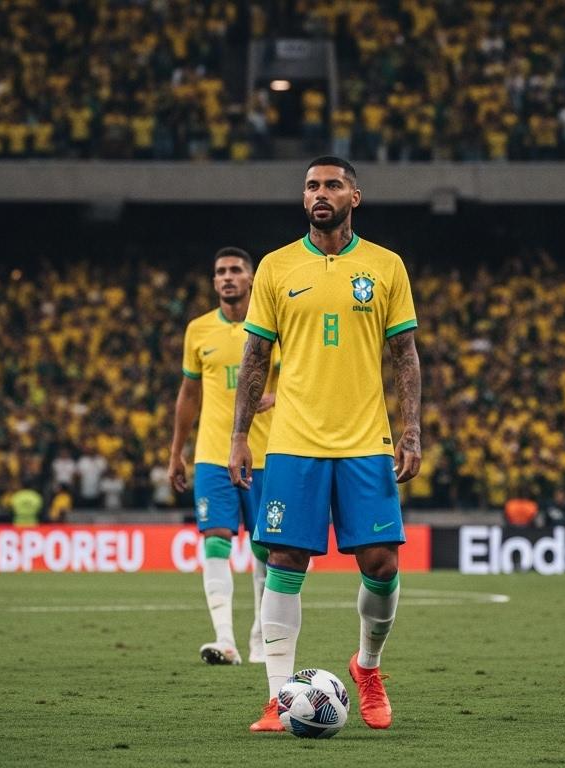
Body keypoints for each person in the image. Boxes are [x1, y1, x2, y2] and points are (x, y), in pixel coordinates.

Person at [230, 156, 421, 732]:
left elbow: (405, 354)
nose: (320, 193)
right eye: (312, 185)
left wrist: (410, 429)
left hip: (366, 439)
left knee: (381, 563)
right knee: (284, 560)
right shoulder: (276, 267)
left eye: (332, 185)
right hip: (293, 442)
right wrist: (239, 434)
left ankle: (367, 668)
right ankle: (278, 697)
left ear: (354, 197)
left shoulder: (385, 266)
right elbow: (256, 356)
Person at [168, 247, 279, 666]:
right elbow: (189, 393)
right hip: (213, 453)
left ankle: (258, 638)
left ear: (251, 278)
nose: (228, 277)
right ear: (214, 283)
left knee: (265, 547)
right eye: (221, 272)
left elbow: (302, 377)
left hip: (267, 454)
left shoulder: (273, 326)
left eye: (236, 270)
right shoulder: (198, 330)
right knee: (215, 539)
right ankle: (225, 640)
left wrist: (278, 394)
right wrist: (176, 451)